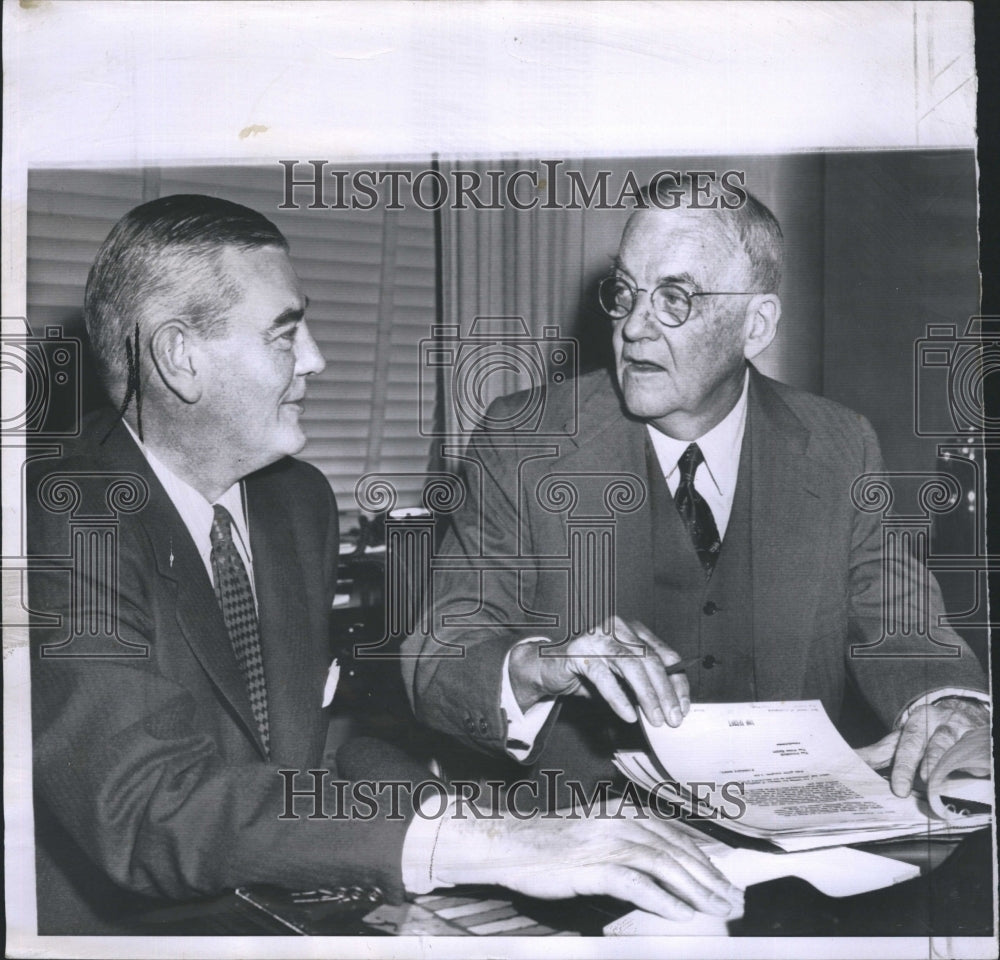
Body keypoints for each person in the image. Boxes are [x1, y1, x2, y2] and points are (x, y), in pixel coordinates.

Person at [27, 194, 742, 934]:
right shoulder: (54, 520)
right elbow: (151, 809)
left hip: (287, 908)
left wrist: (480, 819)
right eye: (285, 333)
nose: (316, 359)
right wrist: (490, 847)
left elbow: (317, 742)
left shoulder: (291, 502)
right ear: (181, 357)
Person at [402, 176, 990, 801]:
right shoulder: (522, 439)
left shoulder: (840, 444)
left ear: (755, 324)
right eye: (625, 292)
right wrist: (538, 665)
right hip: (580, 834)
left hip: (795, 832)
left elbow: (897, 618)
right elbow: (440, 655)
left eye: (675, 298)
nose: (634, 327)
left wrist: (948, 701)